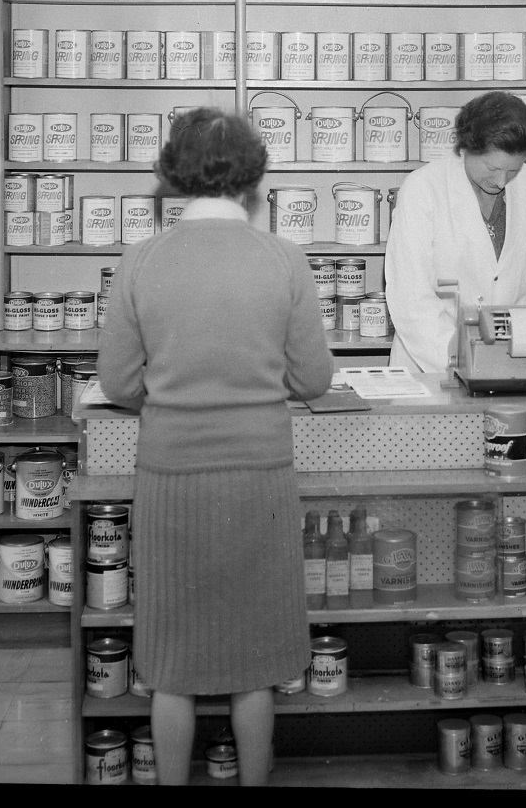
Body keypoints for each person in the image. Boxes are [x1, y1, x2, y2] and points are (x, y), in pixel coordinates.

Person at [98, 107, 334, 785]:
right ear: (253, 176)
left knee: (170, 663)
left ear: (172, 172)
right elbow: (312, 377)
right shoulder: (282, 258)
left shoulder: (142, 258)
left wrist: (174, 396)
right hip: (259, 476)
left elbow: (117, 379)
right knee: (254, 661)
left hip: (171, 476)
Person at [384, 92, 526, 373]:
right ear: (467, 147)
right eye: (492, 167)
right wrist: (467, 358)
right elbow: (411, 298)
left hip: (516, 359)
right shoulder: (423, 189)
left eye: (513, 170)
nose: (501, 181)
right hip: (432, 363)